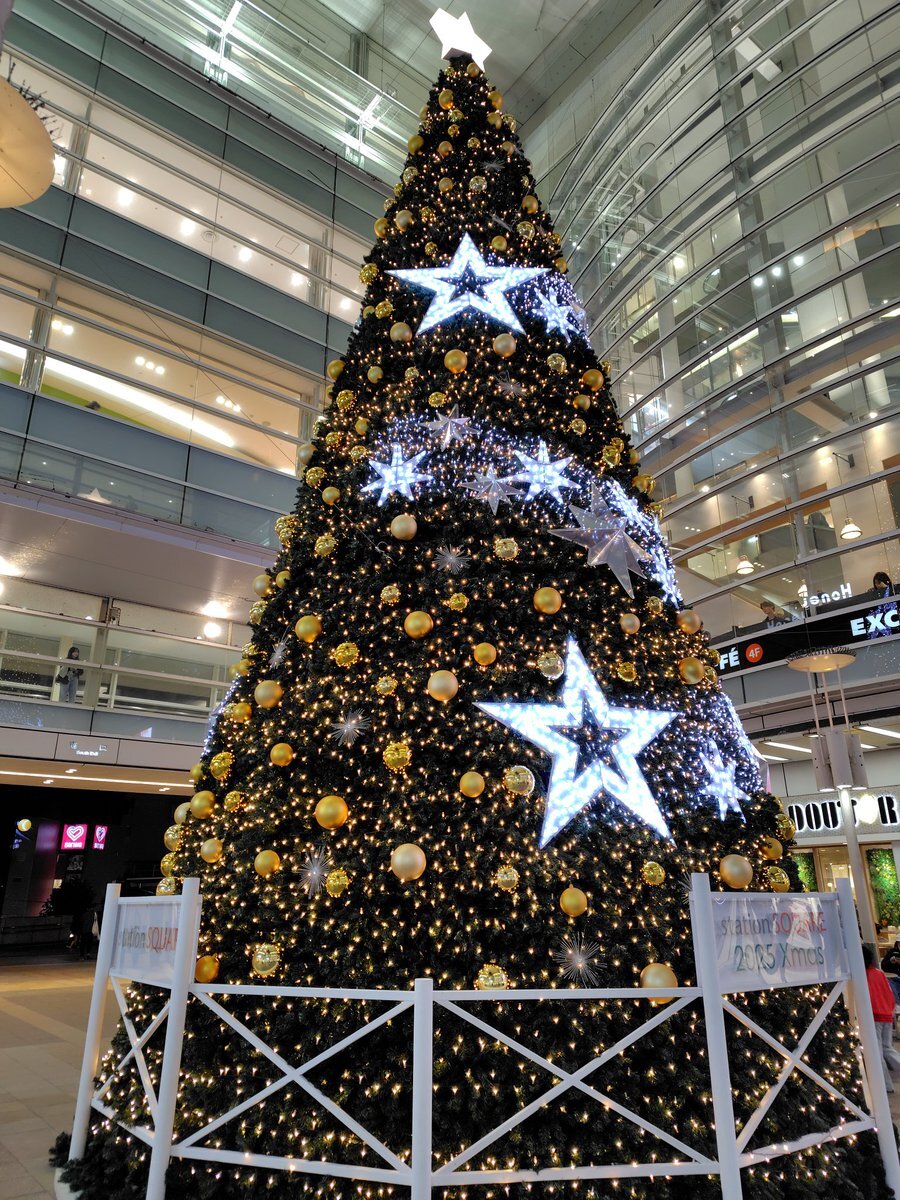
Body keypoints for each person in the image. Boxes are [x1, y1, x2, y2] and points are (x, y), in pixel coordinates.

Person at [862, 943, 900, 1090]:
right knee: (887, 1048)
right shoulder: (879, 973)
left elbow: (868, 998)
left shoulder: (864, 976)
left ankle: (885, 1085)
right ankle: (886, 1085)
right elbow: (890, 994)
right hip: (886, 1015)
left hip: (875, 1016)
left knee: (877, 1053)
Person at [881, 940, 900, 1006]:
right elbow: (883, 966)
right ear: (898, 943)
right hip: (894, 979)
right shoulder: (892, 952)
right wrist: (890, 961)